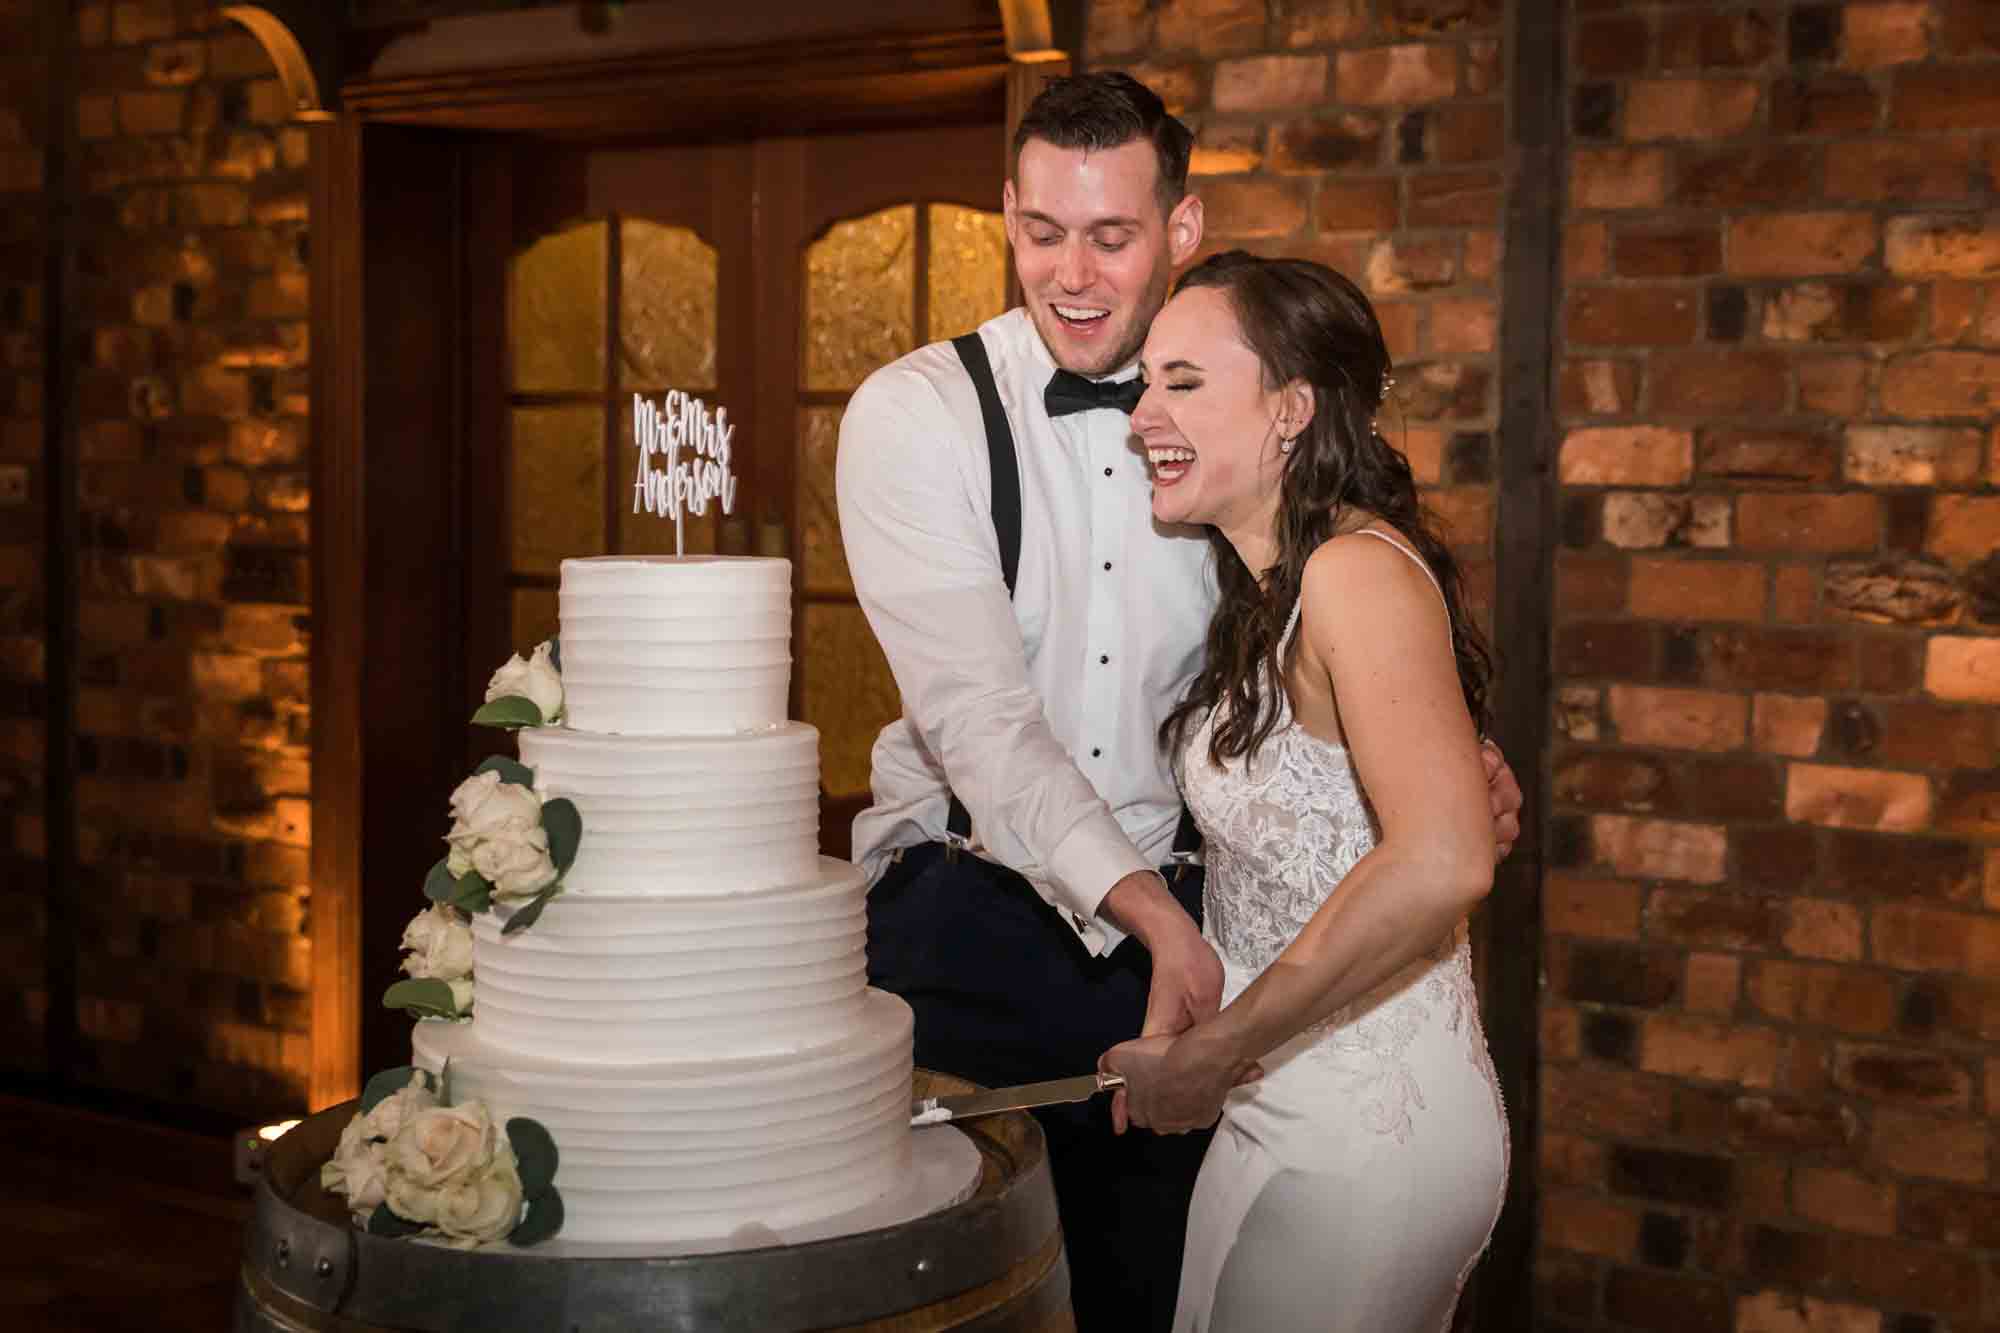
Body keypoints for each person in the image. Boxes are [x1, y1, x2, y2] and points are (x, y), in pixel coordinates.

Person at [835, 73, 1519, 1331]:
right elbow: (982, 720)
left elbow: (1336, 634)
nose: (1073, 274)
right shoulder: (915, 414)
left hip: (1210, 941)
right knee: (943, 1295)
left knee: (1152, 1296)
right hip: (975, 914)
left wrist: (1441, 759)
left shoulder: (1245, 454)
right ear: (1004, 215)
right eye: (1041, 233)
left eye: (1112, 235)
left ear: (1181, 228)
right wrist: (1160, 924)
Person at [1098, 251, 1509, 1332]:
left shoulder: (1350, 573)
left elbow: (1442, 858)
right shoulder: (1269, 591)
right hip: (1270, 1103)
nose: (1142, 415)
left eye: (1181, 382)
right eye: (1145, 383)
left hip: (1363, 1133)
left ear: (1290, 409)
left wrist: (1219, 1051)